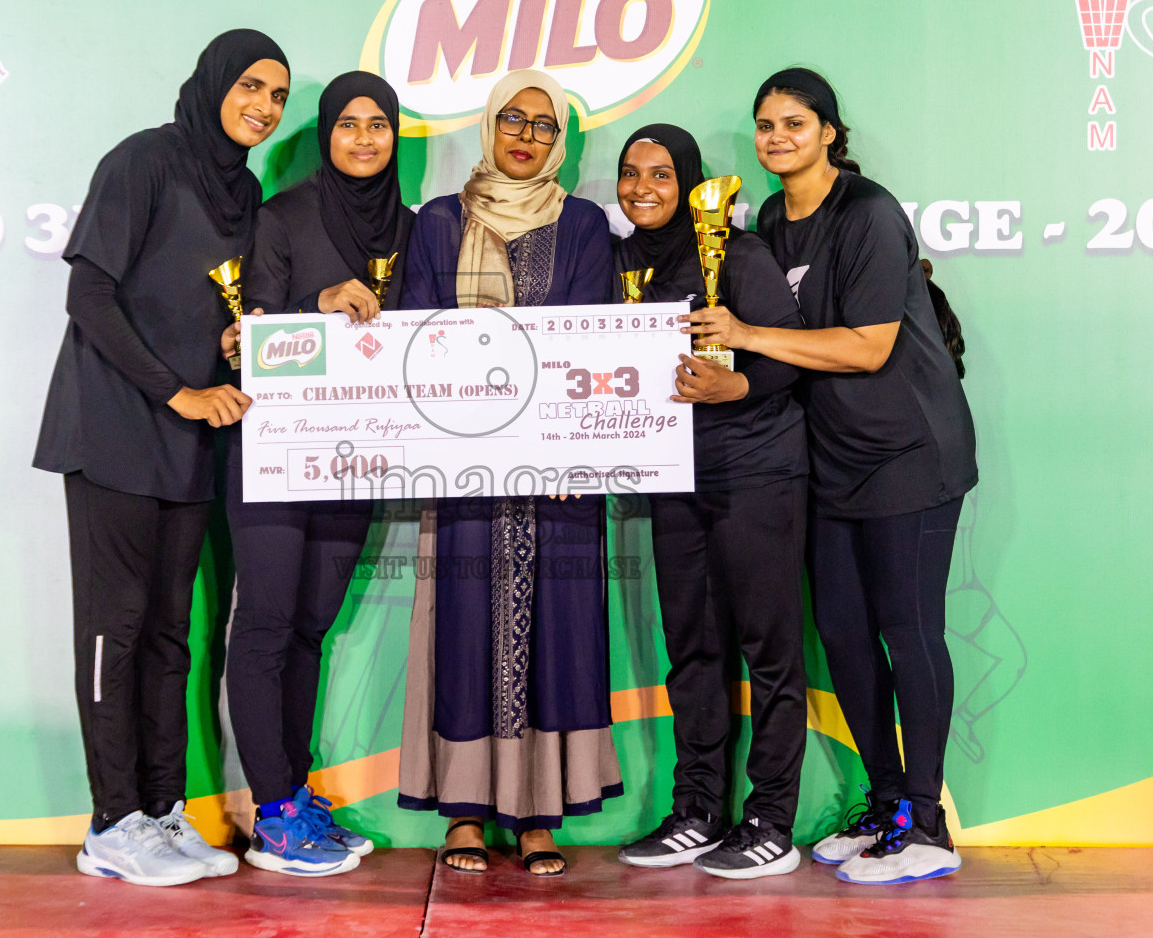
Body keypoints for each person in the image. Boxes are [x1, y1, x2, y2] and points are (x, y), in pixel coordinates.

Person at [686, 68, 977, 885]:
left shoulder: (868, 212)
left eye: (795, 123)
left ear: (829, 134)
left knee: (908, 629)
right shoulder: (773, 218)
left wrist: (744, 331)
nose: (778, 137)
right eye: (766, 125)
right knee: (845, 636)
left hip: (909, 454)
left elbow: (867, 346)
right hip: (830, 458)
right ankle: (886, 806)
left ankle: (928, 824)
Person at [32, 30, 288, 887]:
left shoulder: (244, 193)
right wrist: (174, 389)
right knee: (117, 629)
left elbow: (204, 307)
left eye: (279, 96)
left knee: (175, 635)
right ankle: (110, 824)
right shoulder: (144, 160)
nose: (264, 106)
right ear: (213, 82)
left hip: (191, 446)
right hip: (112, 432)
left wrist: (225, 350)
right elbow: (89, 294)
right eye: (251, 85)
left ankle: (161, 811)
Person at [395, 69, 617, 877]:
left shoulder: (586, 224)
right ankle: (463, 813)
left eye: (543, 126)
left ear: (560, 141)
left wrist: (563, 445)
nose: (525, 135)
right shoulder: (438, 223)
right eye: (511, 119)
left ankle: (538, 813)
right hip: (464, 467)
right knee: (461, 627)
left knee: (557, 633)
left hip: (556, 470)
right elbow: (415, 332)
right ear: (488, 125)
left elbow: (590, 340)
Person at [225, 71, 415, 877]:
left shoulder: (412, 229)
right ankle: (271, 814)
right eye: (348, 124)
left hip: (357, 459)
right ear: (326, 133)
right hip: (276, 454)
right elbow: (251, 329)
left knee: (310, 629)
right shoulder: (283, 217)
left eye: (379, 125)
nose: (365, 138)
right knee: (267, 625)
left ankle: (294, 794)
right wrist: (320, 298)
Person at [608, 125, 810, 879]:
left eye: (661, 174)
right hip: (672, 479)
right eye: (630, 174)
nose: (642, 188)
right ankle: (697, 809)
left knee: (769, 651)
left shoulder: (742, 255)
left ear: (690, 181)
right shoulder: (622, 262)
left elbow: (791, 361)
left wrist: (739, 385)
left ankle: (770, 820)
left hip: (757, 473)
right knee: (691, 649)